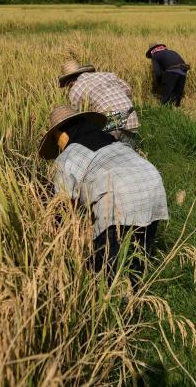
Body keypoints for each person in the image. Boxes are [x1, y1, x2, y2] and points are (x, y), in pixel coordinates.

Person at [39, 105, 169, 281]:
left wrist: (56, 238)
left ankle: (119, 295)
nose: (57, 145)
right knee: (138, 258)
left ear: (63, 134)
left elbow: (63, 206)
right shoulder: (112, 140)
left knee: (108, 273)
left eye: (56, 139)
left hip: (119, 197)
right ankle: (136, 289)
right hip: (152, 184)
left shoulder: (66, 157)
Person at [58, 59, 139, 147]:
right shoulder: (107, 75)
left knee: (103, 152)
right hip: (131, 118)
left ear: (69, 82)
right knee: (128, 153)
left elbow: (78, 117)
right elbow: (128, 89)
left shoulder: (75, 89)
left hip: (111, 121)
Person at [146, 42, 189, 106]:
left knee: (165, 99)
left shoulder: (155, 56)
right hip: (183, 72)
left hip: (171, 72)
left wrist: (159, 83)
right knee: (176, 98)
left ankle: (163, 110)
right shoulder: (171, 51)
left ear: (152, 51)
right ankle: (176, 110)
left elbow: (158, 73)